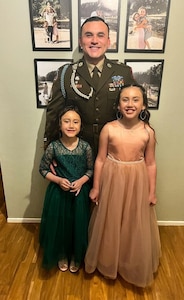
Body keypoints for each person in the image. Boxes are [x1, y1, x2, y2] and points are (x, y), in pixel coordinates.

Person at [85, 84, 161, 287]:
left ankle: (129, 261)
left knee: (132, 221)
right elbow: (100, 160)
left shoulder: (148, 132)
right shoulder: (109, 129)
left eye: (135, 99)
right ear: (118, 105)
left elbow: (151, 163)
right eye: (125, 99)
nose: (130, 104)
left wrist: (152, 192)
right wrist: (96, 187)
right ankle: (109, 260)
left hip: (137, 181)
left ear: (143, 105)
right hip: (112, 180)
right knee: (110, 220)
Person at [44, 16, 136, 157]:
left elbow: (137, 112)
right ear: (81, 42)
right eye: (88, 35)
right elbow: (53, 114)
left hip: (114, 151)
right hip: (74, 151)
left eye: (100, 35)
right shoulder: (66, 73)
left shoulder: (123, 72)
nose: (94, 40)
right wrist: (49, 150)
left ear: (108, 41)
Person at [39, 105, 94, 272]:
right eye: (67, 121)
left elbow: (91, 170)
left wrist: (81, 182)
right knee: (60, 225)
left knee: (77, 225)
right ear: (59, 124)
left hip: (79, 193)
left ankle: (77, 256)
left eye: (75, 122)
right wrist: (58, 180)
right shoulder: (53, 147)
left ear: (81, 125)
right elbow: (43, 169)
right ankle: (61, 254)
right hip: (58, 195)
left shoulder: (86, 147)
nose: (71, 125)